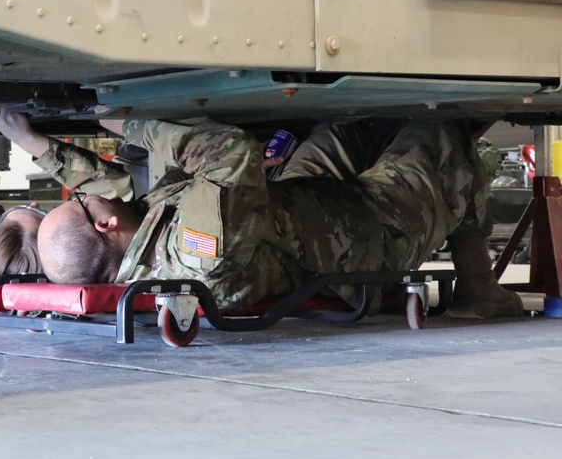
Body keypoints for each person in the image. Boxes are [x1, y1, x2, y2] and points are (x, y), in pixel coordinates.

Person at [36, 116, 524, 319]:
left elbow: (117, 186)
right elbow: (230, 154)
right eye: (81, 202)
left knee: (348, 123)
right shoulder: (190, 254)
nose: (86, 194)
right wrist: (136, 125)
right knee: (442, 130)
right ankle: (478, 285)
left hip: (306, 211)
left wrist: (30, 138)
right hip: (368, 236)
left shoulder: (143, 245)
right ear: (105, 226)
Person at [0, 106, 134, 281]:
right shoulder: (82, 257)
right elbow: (113, 191)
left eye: (5, 218)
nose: (34, 204)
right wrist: (27, 139)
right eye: (43, 217)